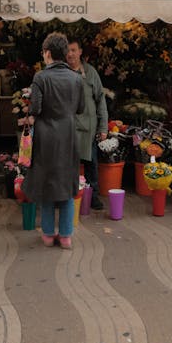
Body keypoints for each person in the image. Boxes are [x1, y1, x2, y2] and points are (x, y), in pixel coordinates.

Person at [24, 32, 85, 249]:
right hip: (68, 136)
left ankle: (48, 235)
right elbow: (81, 108)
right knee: (68, 185)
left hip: (45, 137)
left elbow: (36, 108)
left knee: (46, 184)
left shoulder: (40, 78)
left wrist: (30, 113)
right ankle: (66, 235)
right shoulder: (77, 78)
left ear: (48, 54)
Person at [66, 38, 108, 210]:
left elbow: (100, 99)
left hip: (88, 129)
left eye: (73, 50)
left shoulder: (90, 73)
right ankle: (68, 197)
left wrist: (103, 127)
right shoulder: (61, 73)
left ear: (80, 52)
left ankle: (93, 197)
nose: (70, 54)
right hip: (68, 128)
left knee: (91, 165)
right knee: (68, 165)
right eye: (67, 51)